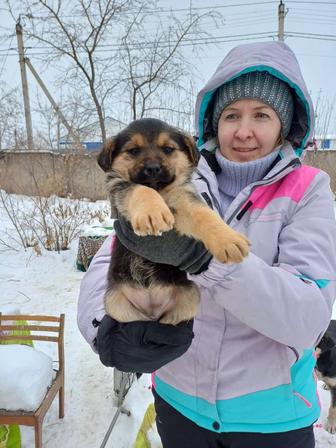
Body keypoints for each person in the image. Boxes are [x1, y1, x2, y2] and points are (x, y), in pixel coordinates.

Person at [77, 41, 336, 448]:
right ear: (214, 122)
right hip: (178, 404)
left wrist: (203, 259)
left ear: (284, 125)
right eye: (231, 115)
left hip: (272, 419)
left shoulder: (309, 190)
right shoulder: (177, 178)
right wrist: (106, 333)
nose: (244, 130)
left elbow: (308, 320)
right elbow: (110, 261)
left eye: (262, 115)